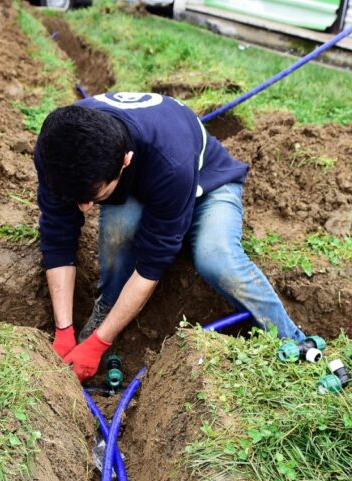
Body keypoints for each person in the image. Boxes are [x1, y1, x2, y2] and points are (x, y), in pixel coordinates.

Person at [35, 92, 306, 382]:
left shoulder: (169, 161)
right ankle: (108, 305)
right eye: (78, 197)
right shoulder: (59, 150)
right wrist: (64, 330)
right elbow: (57, 234)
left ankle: (295, 342)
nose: (86, 207)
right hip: (145, 189)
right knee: (118, 236)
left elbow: (152, 263)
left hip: (209, 186)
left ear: (125, 161)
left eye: (94, 196)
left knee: (217, 260)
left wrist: (98, 344)